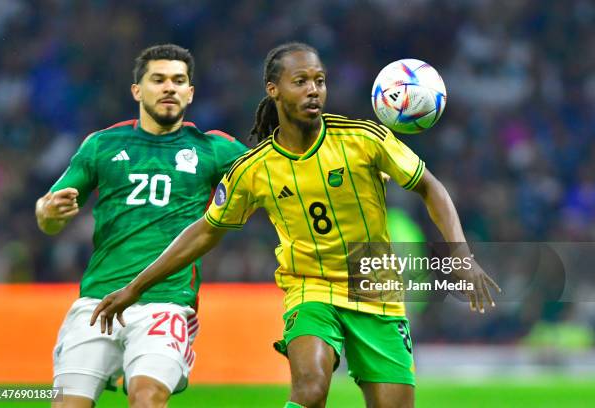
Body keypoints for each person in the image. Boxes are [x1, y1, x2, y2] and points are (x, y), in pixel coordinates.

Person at [90, 42, 500, 408]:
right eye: (300, 81)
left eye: (319, 81)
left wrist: (460, 255)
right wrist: (135, 287)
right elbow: (206, 230)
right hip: (310, 289)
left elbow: (432, 188)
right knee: (310, 387)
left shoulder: (362, 139)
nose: (313, 90)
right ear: (274, 90)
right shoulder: (255, 168)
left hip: (377, 294)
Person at [35, 44, 247, 408]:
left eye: (179, 81)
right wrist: (47, 212)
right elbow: (48, 215)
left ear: (190, 93)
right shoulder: (102, 144)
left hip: (165, 303)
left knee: (147, 398)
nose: (170, 88)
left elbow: (278, 176)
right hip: (97, 301)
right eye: (159, 79)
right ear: (137, 90)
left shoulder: (214, 149)